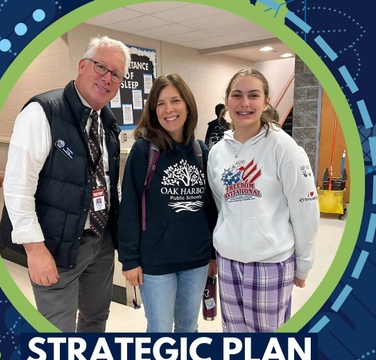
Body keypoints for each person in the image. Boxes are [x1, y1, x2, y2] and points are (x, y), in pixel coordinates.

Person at [0, 35, 131, 332]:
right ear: (82, 66)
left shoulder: (107, 123)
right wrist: (35, 250)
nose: (107, 78)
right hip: (55, 247)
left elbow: (105, 181)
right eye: (100, 67)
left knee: (96, 319)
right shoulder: (43, 111)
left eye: (116, 74)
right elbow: (18, 186)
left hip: (100, 241)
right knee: (58, 333)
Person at [207, 68, 319, 333]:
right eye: (237, 95)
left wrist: (303, 263)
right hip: (229, 261)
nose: (244, 103)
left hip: (271, 262)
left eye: (253, 95)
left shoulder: (284, 147)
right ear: (227, 101)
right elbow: (221, 206)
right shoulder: (217, 152)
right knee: (234, 340)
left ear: (266, 101)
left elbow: (305, 210)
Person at [117, 73, 217, 332]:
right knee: (159, 330)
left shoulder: (201, 152)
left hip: (196, 259)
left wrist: (213, 255)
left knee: (188, 328)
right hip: (155, 262)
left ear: (188, 105)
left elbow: (210, 209)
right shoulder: (143, 151)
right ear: (153, 110)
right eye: (160, 103)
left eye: (175, 101)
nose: (169, 109)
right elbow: (129, 208)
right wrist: (129, 260)